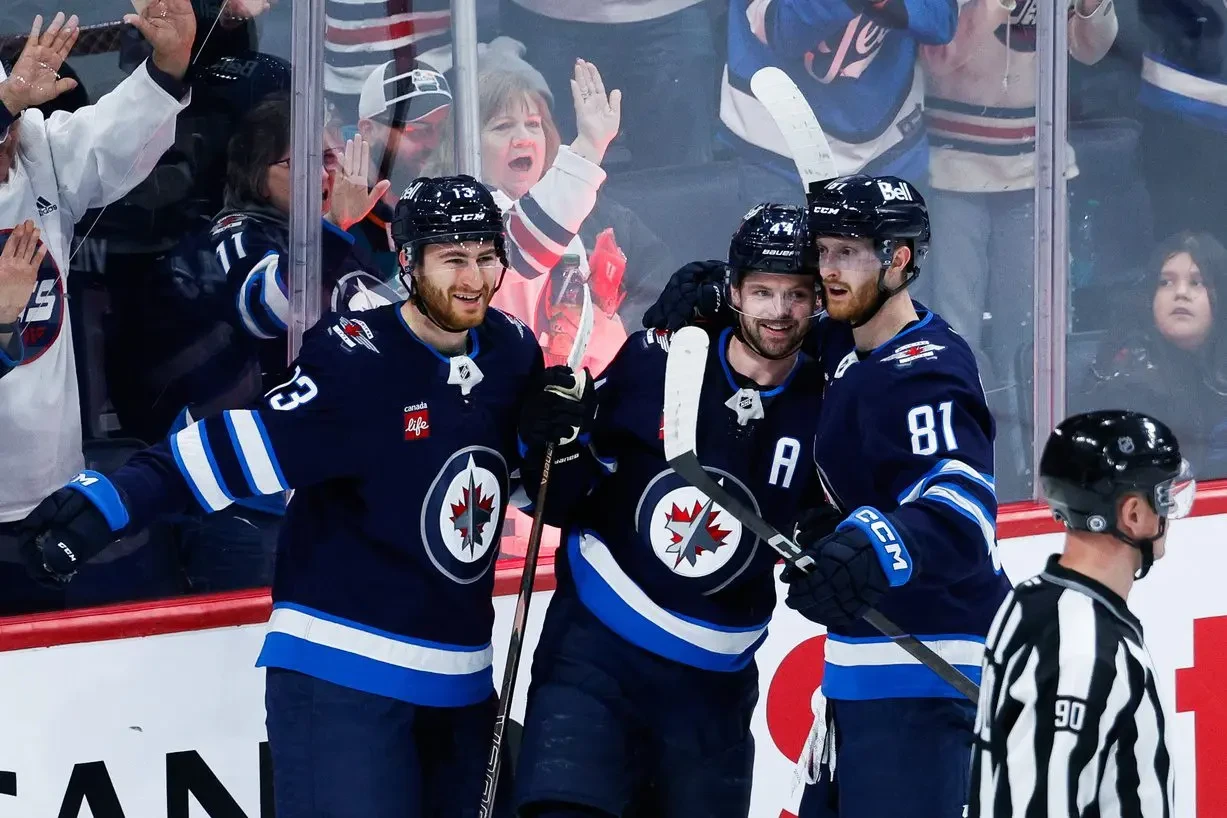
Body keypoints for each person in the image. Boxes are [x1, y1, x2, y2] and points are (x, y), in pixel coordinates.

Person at [16, 176, 596, 818]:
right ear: (407, 262)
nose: (473, 277)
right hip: (343, 674)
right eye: (452, 258)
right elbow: (240, 446)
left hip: (462, 682)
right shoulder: (357, 356)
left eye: (486, 256)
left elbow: (531, 490)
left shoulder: (513, 353)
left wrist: (561, 444)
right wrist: (113, 502)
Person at [642, 174, 1010, 818]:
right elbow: (790, 325)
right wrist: (715, 290)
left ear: (898, 260)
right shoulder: (854, 343)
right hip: (864, 673)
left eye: (849, 253)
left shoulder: (924, 371)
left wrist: (870, 546)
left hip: (932, 673)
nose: (828, 269)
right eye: (825, 250)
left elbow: (963, 511)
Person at [513, 203, 830, 818]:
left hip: (713, 694)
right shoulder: (659, 362)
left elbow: (826, 519)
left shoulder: (826, 402)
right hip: (594, 664)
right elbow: (560, 490)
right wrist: (543, 439)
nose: (778, 311)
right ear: (732, 290)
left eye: (797, 294)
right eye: (761, 291)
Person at [0, 2, 194, 612]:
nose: (8, 136)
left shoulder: (37, 150)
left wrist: (169, 62)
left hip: (47, 486)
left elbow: (113, 134)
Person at [969, 410, 1192, 817]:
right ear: (1134, 515)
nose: (1171, 512)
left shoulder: (1028, 601)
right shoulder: (1084, 652)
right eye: (1164, 495)